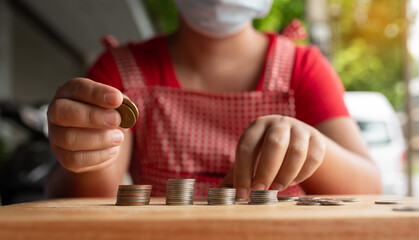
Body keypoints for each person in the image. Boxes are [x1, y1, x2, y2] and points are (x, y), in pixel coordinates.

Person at [45, 0, 382, 199]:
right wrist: (84, 152)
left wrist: (313, 150)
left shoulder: (304, 69)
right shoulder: (118, 72)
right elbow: (91, 200)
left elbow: (370, 190)